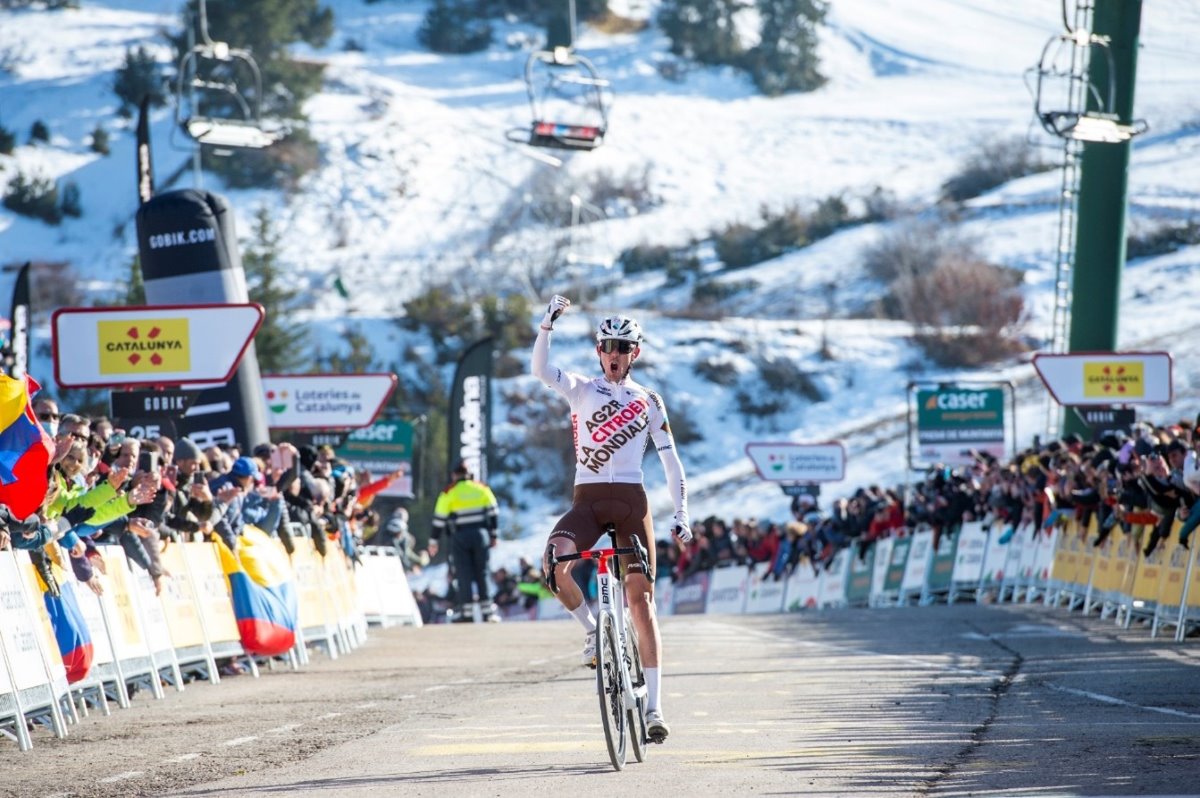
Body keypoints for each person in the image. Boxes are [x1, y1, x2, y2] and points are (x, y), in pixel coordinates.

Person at [531, 294, 691, 744]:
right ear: (598, 351)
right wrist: (547, 326)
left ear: (635, 353)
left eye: (624, 347)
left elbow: (671, 461)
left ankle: (656, 708)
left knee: (640, 600)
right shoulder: (581, 388)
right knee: (553, 561)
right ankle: (592, 633)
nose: (615, 354)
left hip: (632, 504)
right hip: (588, 500)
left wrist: (681, 514)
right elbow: (540, 372)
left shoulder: (649, 400)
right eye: (608, 347)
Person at [431, 460, 500, 622]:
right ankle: (488, 612)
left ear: (454, 475)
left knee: (463, 574)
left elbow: (439, 519)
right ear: (469, 475)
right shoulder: (481, 488)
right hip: (481, 534)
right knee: (482, 572)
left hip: (460, 536)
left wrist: (433, 541)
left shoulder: (450, 491)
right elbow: (494, 512)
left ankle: (466, 614)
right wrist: (494, 535)